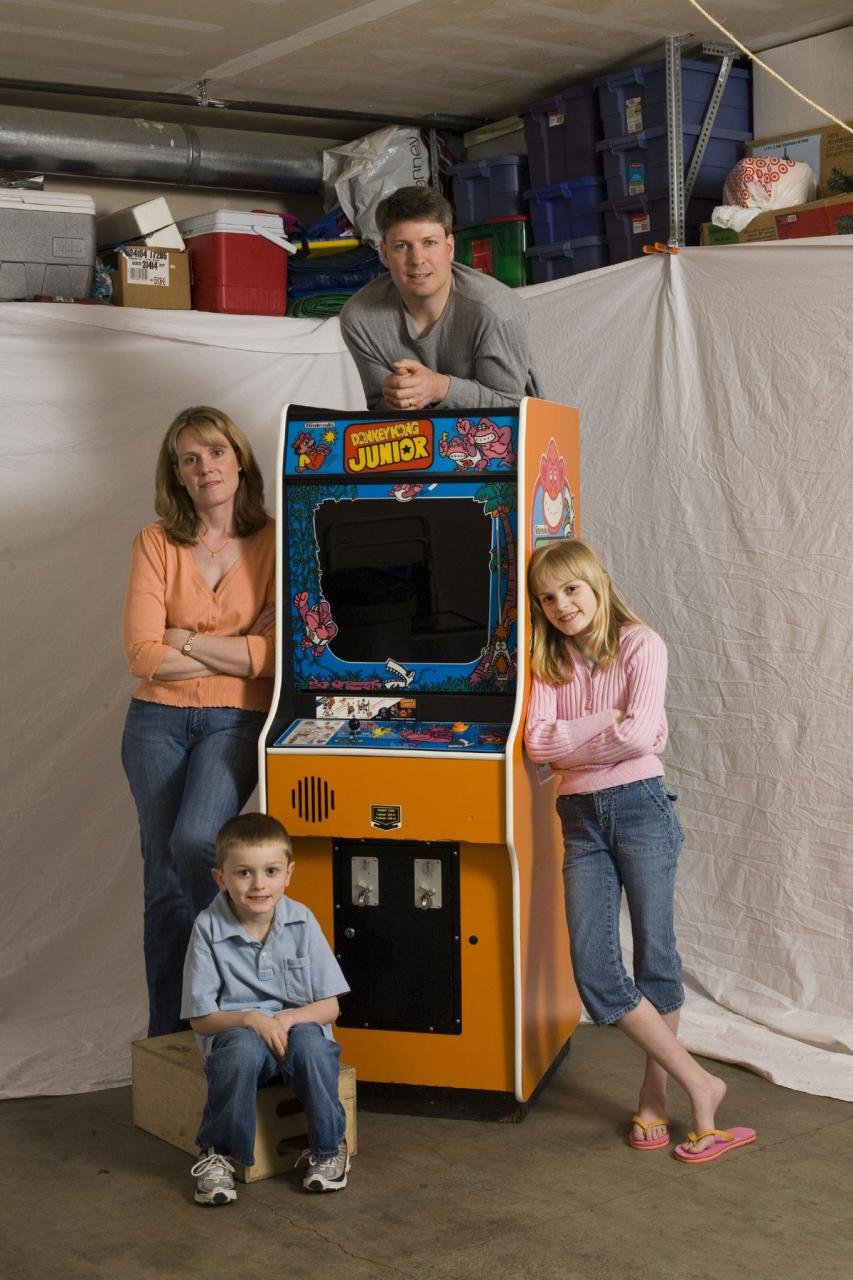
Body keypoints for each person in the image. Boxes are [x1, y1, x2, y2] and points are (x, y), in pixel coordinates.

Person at [524, 539, 756, 1165]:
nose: (561, 605)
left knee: (656, 953)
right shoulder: (547, 660)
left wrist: (581, 742)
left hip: (640, 807)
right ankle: (701, 1082)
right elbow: (539, 745)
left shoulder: (640, 644)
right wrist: (610, 722)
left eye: (571, 589)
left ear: (597, 582)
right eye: (547, 597)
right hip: (579, 820)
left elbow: (636, 737)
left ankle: (654, 1097)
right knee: (595, 969)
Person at [121, 406, 275, 1039]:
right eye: (190, 459)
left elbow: (277, 658)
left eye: (215, 452)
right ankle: (170, 1039)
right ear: (178, 476)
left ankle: (234, 989)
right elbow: (140, 654)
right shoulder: (155, 543)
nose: (205, 467)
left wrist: (181, 639)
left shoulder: (277, 541)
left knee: (195, 843)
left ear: (239, 460)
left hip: (234, 720)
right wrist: (237, 651)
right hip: (154, 723)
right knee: (163, 884)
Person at [182, 813, 351, 1202]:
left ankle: (329, 1151)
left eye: (271, 871)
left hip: (295, 1034)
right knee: (239, 1049)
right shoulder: (208, 927)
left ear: (288, 874)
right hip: (239, 1036)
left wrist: (288, 1017)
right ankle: (218, 1154)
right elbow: (201, 1019)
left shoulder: (302, 921)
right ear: (220, 878)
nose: (259, 884)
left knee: (314, 1046)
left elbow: (330, 1007)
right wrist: (251, 1019)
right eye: (244, 873)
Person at [339, 185, 540, 412]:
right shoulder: (360, 318)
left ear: (450, 247)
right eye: (402, 246)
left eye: (429, 243)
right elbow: (379, 409)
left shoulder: (496, 310)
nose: (417, 259)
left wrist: (439, 388)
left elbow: (514, 408)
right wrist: (398, 398)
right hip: (417, 434)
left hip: (513, 433)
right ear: (385, 254)